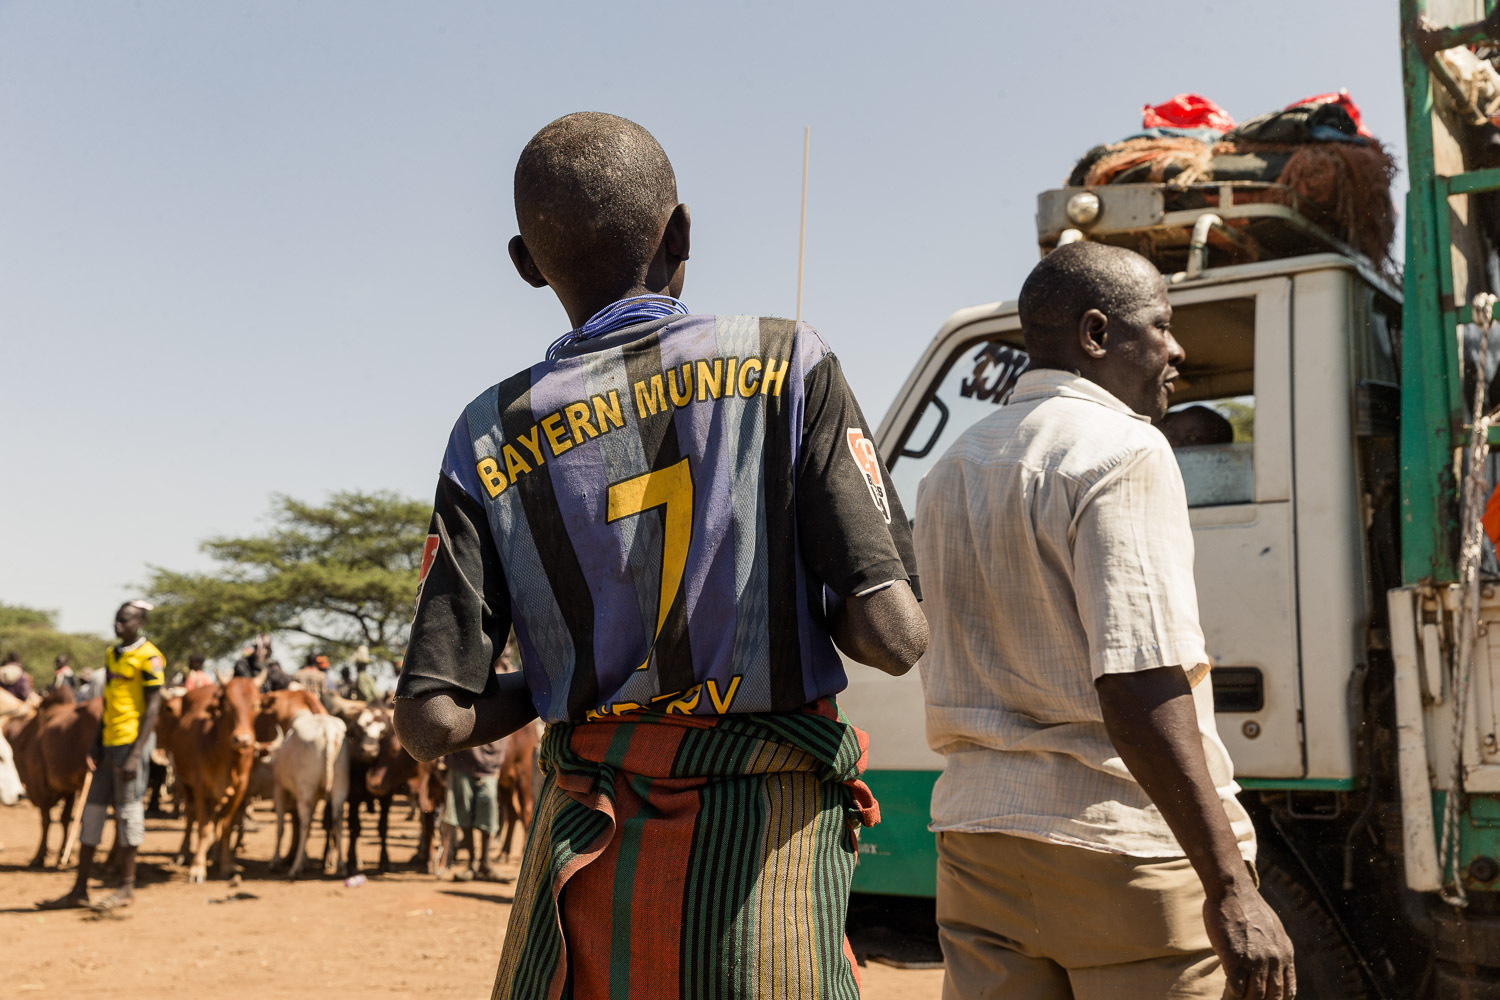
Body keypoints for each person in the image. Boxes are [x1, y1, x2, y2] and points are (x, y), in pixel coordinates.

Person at [392, 111, 926, 999]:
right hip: (764, 848)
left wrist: (572, 684)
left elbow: (432, 723)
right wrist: (797, 605)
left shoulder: (486, 433)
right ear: (680, 233)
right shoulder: (788, 363)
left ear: (527, 264)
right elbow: (896, 636)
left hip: (593, 853)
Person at [916, 241, 1294, 1000]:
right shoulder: (1125, 450)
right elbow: (1139, 681)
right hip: (1118, 853)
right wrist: (1230, 886)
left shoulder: (951, 466)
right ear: (1096, 335)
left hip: (979, 846)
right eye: (1160, 326)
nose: (1176, 349)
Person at [38, 600, 165, 912]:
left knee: (128, 815)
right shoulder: (112, 655)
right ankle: (79, 890)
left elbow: (153, 709)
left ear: (140, 622)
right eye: (116, 620)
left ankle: (126, 887)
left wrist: (136, 754)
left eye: (125, 620)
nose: (118, 625)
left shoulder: (150, 658)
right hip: (107, 745)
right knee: (92, 814)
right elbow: (108, 701)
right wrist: (96, 742)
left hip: (132, 746)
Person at [441, 737, 507, 882]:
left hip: (490, 764)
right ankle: (471, 864)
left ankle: (485, 863)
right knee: (464, 813)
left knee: (488, 812)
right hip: (462, 761)